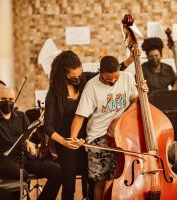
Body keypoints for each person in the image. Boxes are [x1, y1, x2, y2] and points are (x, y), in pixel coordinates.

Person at [44, 50, 135, 200]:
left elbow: (110, 72)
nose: (78, 79)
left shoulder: (85, 79)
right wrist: (64, 141)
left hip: (87, 136)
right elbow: (48, 126)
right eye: (73, 77)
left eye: (80, 75)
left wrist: (130, 60)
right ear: (63, 75)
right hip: (66, 139)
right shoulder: (54, 92)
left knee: (92, 178)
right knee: (69, 184)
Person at [70, 55, 148, 200]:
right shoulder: (91, 87)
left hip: (123, 134)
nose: (113, 81)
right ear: (100, 72)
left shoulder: (128, 77)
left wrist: (142, 94)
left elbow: (133, 102)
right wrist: (73, 137)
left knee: (119, 178)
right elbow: (80, 115)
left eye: (116, 78)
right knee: (99, 180)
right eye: (108, 79)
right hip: (99, 136)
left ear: (119, 70)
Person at [0, 87, 61, 200]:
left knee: (57, 170)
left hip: (24, 157)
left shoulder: (20, 116)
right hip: (2, 160)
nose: (8, 102)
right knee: (21, 174)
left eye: (11, 99)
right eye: (3, 99)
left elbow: (27, 136)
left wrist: (29, 144)